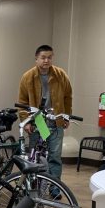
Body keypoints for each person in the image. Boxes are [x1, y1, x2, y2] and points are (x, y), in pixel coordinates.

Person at [18, 45, 73, 195]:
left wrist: (66, 116)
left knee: (55, 156)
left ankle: (55, 188)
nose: (46, 60)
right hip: (38, 122)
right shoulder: (28, 77)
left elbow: (68, 97)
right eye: (43, 57)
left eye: (49, 57)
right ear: (36, 59)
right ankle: (34, 186)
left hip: (55, 120)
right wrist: (26, 121)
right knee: (36, 156)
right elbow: (22, 101)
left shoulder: (60, 75)